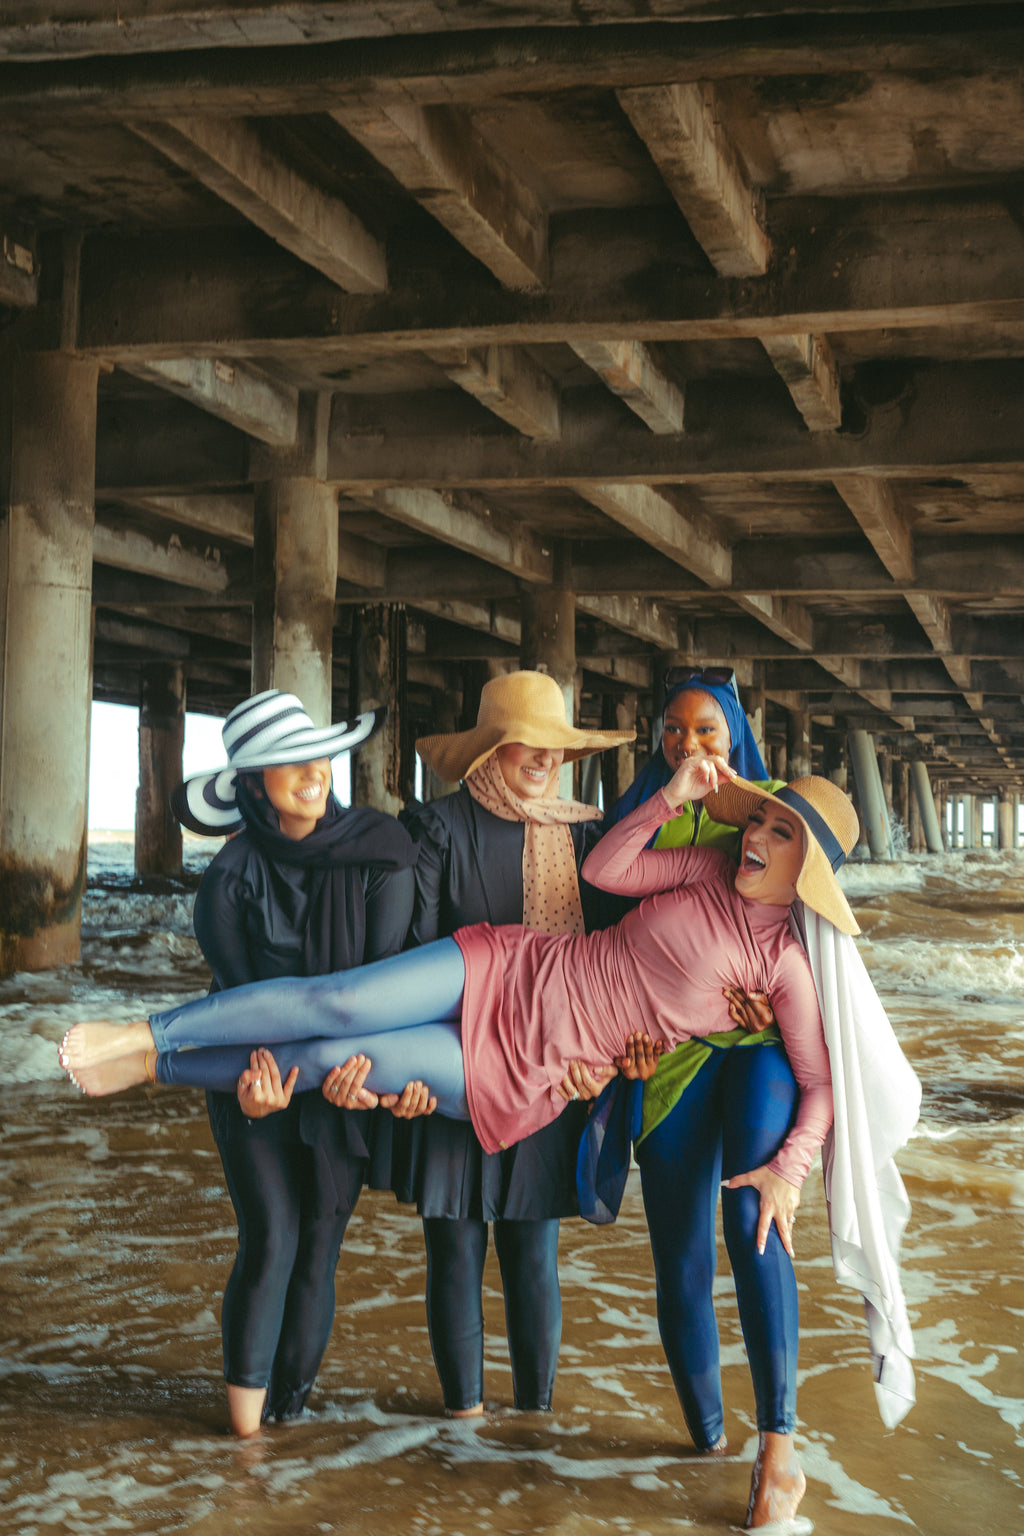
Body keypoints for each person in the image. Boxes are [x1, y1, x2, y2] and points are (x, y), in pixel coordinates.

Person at [62, 760, 920, 1531]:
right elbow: (604, 869)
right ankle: (148, 1034)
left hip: (529, 1062)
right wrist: (672, 796)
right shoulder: (703, 866)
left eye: (780, 833)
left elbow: (821, 1084)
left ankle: (164, 1067)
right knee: (337, 1004)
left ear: (809, 870)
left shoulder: (782, 971)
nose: (756, 836)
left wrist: (788, 1169)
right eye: (759, 819)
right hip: (516, 964)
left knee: (325, 1061)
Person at [157, 688, 423, 1438]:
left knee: (319, 1246)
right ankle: (244, 1444)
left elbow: (380, 990)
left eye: (318, 757)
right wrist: (253, 1090)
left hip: (345, 1073)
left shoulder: (383, 852)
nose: (313, 772)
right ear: (251, 783)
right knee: (272, 1235)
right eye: (289, 763)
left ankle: (289, 1415)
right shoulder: (231, 877)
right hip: (253, 1076)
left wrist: (368, 1076)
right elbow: (237, 1009)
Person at [379, 669, 634, 1418]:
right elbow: (410, 961)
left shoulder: (587, 836)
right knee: (454, 1252)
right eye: (530, 742)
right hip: (456, 1066)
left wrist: (603, 1061)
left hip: (553, 1074)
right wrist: (408, 1071)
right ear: (492, 747)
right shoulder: (438, 829)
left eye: (557, 745)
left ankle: (533, 1431)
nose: (546, 757)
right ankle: (459, 1428)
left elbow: (617, 965)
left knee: (532, 1255)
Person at [586, 667, 791, 1468]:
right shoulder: (640, 813)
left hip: (757, 1049)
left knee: (752, 1220)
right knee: (680, 1256)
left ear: (735, 734)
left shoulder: (778, 814)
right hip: (668, 1054)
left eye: (706, 729)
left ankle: (778, 1446)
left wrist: (780, 1006)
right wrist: (619, 1051)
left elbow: (818, 938)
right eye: (673, 729)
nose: (688, 743)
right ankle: (705, 1444)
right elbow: (603, 937)